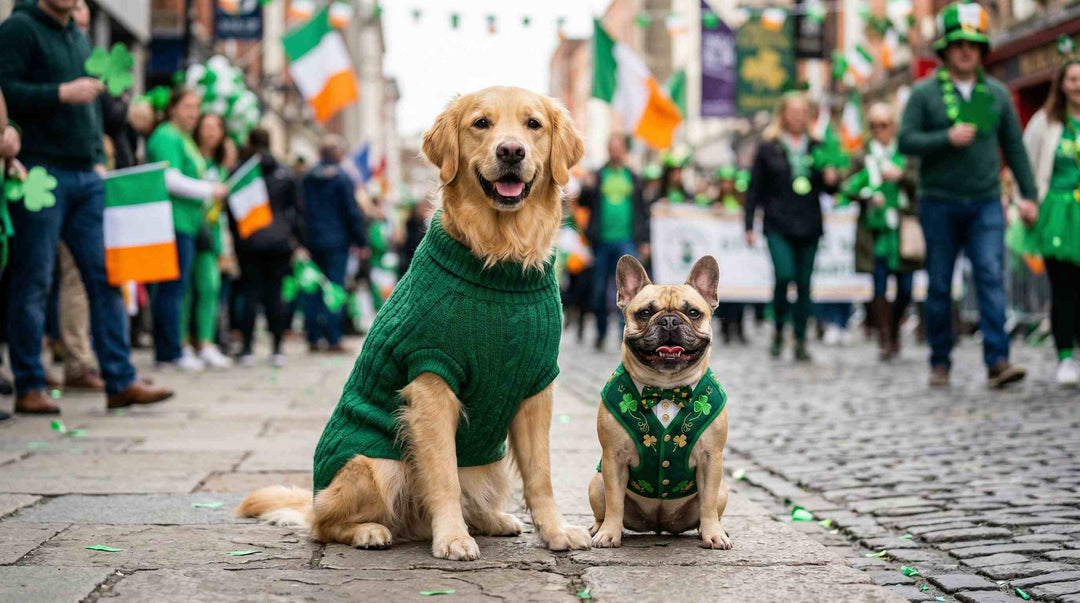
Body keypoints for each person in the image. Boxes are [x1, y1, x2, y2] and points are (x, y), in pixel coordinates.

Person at [0, 0, 173, 412]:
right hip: (41, 173)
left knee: (107, 276)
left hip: (86, 177)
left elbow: (93, 110)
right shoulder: (19, 29)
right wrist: (61, 93)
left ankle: (120, 379)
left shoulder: (78, 37)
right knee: (34, 280)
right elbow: (6, 90)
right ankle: (29, 385)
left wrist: (98, 155)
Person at [898, 2, 1037, 388]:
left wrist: (1029, 195)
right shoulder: (924, 93)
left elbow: (1016, 146)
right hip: (938, 202)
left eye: (973, 45)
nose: (966, 51)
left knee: (992, 276)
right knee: (941, 284)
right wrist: (946, 137)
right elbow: (905, 140)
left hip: (986, 201)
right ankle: (940, 361)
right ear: (945, 50)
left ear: (982, 51)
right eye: (958, 43)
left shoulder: (996, 93)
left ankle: (998, 361)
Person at [745, 91, 840, 362]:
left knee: (805, 283)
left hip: (809, 224)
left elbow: (830, 188)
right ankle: (777, 329)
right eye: (793, 111)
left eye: (803, 111)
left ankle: (800, 339)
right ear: (783, 114)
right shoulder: (768, 146)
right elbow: (754, 189)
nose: (798, 116)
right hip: (777, 223)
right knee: (784, 275)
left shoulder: (817, 145)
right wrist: (749, 224)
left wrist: (832, 179)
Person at [146, 88, 230, 371]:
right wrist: (210, 189)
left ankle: (175, 348)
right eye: (188, 106)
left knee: (181, 288)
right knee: (172, 288)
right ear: (172, 108)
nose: (193, 112)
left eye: (196, 107)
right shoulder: (166, 136)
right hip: (173, 221)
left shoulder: (182, 138)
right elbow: (169, 178)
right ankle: (170, 350)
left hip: (189, 223)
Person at [1022, 49, 1080, 386]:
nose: (1077, 86)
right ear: (1061, 84)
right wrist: (1025, 202)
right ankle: (1064, 357)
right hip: (1056, 213)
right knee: (1063, 287)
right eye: (1072, 79)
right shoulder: (1044, 122)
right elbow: (1026, 167)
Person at [845, 102, 920, 360]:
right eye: (874, 126)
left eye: (884, 125)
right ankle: (885, 337)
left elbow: (921, 184)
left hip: (902, 229)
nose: (879, 131)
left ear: (893, 126)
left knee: (906, 287)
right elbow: (848, 187)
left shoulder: (907, 153)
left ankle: (896, 328)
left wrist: (901, 176)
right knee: (878, 287)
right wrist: (867, 196)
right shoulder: (863, 154)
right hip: (874, 231)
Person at [233, 128, 304, 366]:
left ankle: (246, 349)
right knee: (275, 295)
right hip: (279, 243)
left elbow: (233, 209)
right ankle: (277, 348)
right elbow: (296, 210)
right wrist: (296, 239)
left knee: (249, 295)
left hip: (250, 241)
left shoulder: (242, 172)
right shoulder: (284, 171)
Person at [579, 134, 649, 350]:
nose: (614, 151)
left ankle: (625, 335)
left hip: (628, 241)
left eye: (618, 147)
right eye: (611, 147)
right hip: (601, 242)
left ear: (624, 150)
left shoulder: (634, 177)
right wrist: (587, 187)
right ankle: (600, 333)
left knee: (630, 291)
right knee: (599, 290)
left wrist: (645, 241)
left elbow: (642, 212)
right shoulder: (598, 175)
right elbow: (583, 203)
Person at [300, 135, 366, 354]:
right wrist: (360, 241)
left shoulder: (307, 177)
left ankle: (312, 336)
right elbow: (351, 212)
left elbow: (300, 209)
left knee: (312, 288)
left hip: (311, 240)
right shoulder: (342, 178)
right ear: (337, 155)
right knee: (335, 288)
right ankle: (333, 338)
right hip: (337, 242)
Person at [184, 112, 234, 369]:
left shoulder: (220, 165)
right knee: (185, 289)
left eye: (217, 127)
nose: (212, 132)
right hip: (190, 226)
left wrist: (225, 247)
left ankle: (206, 342)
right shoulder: (190, 156)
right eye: (207, 126)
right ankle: (183, 344)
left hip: (211, 233)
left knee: (210, 287)